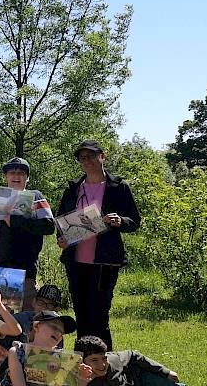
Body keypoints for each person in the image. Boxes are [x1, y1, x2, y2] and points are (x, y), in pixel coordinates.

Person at [56, 140, 141, 350]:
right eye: (82, 158)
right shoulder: (73, 188)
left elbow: (134, 221)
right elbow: (61, 221)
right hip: (76, 262)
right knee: (82, 315)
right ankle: (82, 367)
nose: (87, 161)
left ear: (102, 156)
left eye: (91, 156)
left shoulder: (118, 187)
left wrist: (120, 221)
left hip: (105, 262)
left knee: (99, 316)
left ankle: (105, 367)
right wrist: (62, 238)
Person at [0, 157, 55, 308]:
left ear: (27, 178)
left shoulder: (36, 196)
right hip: (1, 269)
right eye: (12, 172)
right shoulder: (1, 198)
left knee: (26, 321)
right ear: (6, 176)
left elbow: (49, 226)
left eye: (21, 173)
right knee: (4, 322)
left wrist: (15, 221)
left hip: (25, 269)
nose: (16, 176)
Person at [1, 311, 77, 386]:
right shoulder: (18, 352)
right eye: (54, 327)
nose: (59, 333)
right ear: (37, 326)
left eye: (62, 332)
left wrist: (82, 379)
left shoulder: (62, 359)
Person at [74, 336, 183, 386]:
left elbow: (134, 355)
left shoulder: (114, 359)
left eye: (104, 358)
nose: (102, 364)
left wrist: (165, 371)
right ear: (81, 361)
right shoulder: (73, 376)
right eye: (94, 360)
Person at [0, 285, 66, 352]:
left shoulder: (57, 333)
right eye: (40, 303)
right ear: (34, 302)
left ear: (57, 310)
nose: (44, 308)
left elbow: (57, 357)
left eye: (50, 305)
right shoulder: (19, 320)